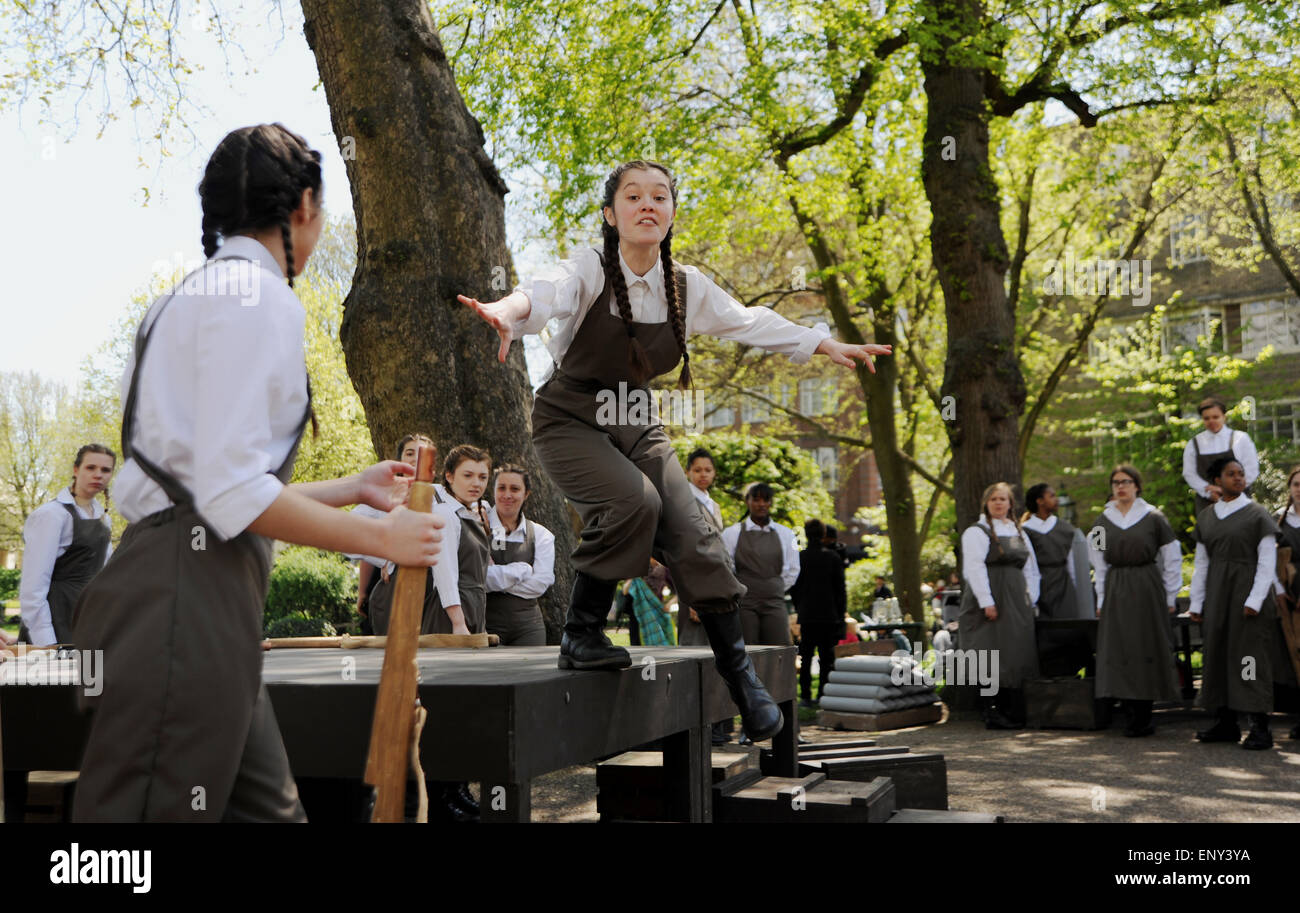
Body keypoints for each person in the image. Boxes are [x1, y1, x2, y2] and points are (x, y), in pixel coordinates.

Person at [69, 124, 442, 823]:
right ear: (303, 205)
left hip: (172, 596)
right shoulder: (261, 297)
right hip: (184, 611)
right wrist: (382, 540)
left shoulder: (175, 302)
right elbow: (229, 492)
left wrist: (351, 489)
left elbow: (207, 489)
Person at [459, 158, 891, 742]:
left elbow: (749, 321)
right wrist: (506, 313)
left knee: (694, 529)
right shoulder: (590, 266)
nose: (647, 205)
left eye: (660, 196)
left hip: (636, 419)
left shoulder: (685, 285)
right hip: (570, 418)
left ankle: (741, 680)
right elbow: (544, 294)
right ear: (610, 215)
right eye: (632, 196)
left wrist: (822, 344)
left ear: (671, 213)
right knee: (634, 502)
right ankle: (582, 633)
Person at [1190, 457, 1281, 749]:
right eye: (1231, 474)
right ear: (1217, 480)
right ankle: (1226, 722)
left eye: (1241, 474)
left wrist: (1254, 599)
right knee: (1217, 654)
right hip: (1218, 594)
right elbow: (1201, 565)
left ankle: (1259, 726)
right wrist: (1197, 602)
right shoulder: (1206, 517)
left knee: (1248, 659)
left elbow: (1268, 562)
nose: (1238, 478)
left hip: (1247, 593)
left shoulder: (1257, 514)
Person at [1088, 465, 1182, 737]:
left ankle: (1144, 713)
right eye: (1116, 482)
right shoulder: (1102, 522)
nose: (1121, 487)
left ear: (1137, 485)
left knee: (1146, 645)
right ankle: (1129, 711)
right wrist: (1102, 597)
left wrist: (1170, 595)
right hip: (1117, 588)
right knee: (1121, 648)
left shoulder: (1154, 517)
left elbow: (1171, 558)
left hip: (1147, 586)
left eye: (1126, 481)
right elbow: (1098, 565)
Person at [367, 445, 493, 637]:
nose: (476, 483)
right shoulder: (445, 514)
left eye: (482, 477)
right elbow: (445, 574)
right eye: (467, 476)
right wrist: (458, 623)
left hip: (474, 606)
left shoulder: (472, 514)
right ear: (449, 477)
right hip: (450, 613)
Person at [958, 482, 1041, 729]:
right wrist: (987, 601)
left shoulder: (1019, 532)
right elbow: (974, 568)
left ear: (1010, 504)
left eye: (1003, 499)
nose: (998, 503)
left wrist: (1031, 599)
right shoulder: (977, 532)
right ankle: (990, 711)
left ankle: (1012, 709)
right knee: (988, 652)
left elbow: (1032, 569)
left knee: (1015, 653)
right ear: (986, 502)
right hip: (989, 598)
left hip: (1016, 600)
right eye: (994, 498)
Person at [18, 444, 116, 646]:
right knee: (60, 679)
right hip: (56, 621)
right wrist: (47, 644)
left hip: (89, 620)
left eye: (105, 470)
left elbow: (106, 575)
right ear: (76, 470)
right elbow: (33, 589)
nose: (98, 475)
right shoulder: (51, 515)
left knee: (92, 677)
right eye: (91, 468)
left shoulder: (104, 518)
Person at [351, 432, 435, 636]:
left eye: (423, 453)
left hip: (431, 586)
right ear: (400, 460)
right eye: (409, 453)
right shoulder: (384, 495)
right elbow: (359, 535)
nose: (416, 458)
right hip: (389, 582)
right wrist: (363, 591)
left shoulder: (442, 498)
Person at [721, 483, 800, 649]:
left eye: (766, 500)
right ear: (747, 501)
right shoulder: (732, 533)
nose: (761, 504)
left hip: (775, 600)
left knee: (779, 648)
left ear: (771, 503)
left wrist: (773, 586)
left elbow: (793, 569)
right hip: (744, 602)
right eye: (756, 500)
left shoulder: (787, 534)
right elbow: (725, 566)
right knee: (746, 649)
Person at [485, 463, 554, 646]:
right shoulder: (477, 528)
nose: (507, 495)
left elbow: (540, 584)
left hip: (529, 629)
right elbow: (475, 579)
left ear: (526, 494)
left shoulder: (541, 535)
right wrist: (520, 571)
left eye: (515, 489)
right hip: (484, 625)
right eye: (501, 488)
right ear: (493, 491)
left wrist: (495, 576)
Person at [790, 519, 846, 707]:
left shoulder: (800, 558)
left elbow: (794, 588)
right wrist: (841, 613)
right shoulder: (833, 558)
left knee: (806, 656)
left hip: (807, 614)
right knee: (826, 657)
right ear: (823, 534)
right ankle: (823, 692)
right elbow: (840, 589)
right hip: (828, 614)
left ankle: (805, 695)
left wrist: (800, 607)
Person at [1183, 397, 1260, 519]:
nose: (1211, 421)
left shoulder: (1240, 439)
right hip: (1207, 503)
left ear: (1224, 417)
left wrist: (1230, 490)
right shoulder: (1194, 444)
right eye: (1206, 418)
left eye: (1215, 417)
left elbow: (1252, 469)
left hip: (1239, 500)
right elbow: (1189, 473)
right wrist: (1208, 491)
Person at [678, 447, 722, 648]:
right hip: (693, 581)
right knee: (693, 646)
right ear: (687, 472)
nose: (703, 474)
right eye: (697, 470)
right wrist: (693, 597)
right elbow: (685, 547)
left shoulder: (713, 504)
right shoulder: (683, 500)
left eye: (707, 470)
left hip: (715, 580)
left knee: (714, 645)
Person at [1272, 465, 1300, 740]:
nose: (1299, 489)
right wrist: (1280, 590)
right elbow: (1269, 560)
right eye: (1296, 484)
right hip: (1287, 596)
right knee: (1295, 655)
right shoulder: (1278, 520)